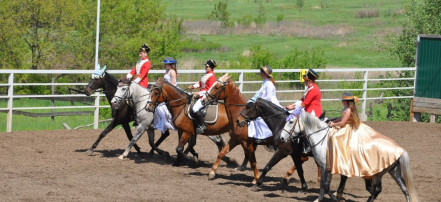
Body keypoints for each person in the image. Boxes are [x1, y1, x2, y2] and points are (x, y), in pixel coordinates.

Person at [327, 92, 405, 178]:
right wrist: (334, 121)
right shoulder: (345, 108)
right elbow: (341, 118)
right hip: (345, 126)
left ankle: (341, 158)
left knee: (335, 137)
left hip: (348, 127)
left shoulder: (348, 110)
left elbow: (342, 122)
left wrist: (333, 125)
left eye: (343, 100)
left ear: (346, 101)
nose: (342, 101)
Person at [248, 65, 282, 142]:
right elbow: (259, 94)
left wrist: (259, 102)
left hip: (271, 104)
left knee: (260, 118)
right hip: (264, 103)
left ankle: (265, 136)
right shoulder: (265, 82)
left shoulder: (269, 84)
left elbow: (268, 97)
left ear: (266, 74)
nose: (260, 74)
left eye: (262, 72)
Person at [188, 59, 217, 134]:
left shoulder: (212, 76)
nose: (205, 68)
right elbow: (201, 83)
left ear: (211, 67)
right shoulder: (206, 74)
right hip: (202, 93)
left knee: (195, 108)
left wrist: (198, 93)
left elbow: (209, 90)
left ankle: (202, 125)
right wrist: (193, 86)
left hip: (206, 96)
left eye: (207, 66)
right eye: (205, 66)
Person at [153, 57, 178, 136]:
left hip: (171, 90)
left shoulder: (172, 71)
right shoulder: (167, 71)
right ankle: (162, 122)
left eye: (166, 64)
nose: (164, 65)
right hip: (166, 90)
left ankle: (169, 121)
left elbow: (173, 84)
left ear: (170, 64)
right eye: (165, 64)